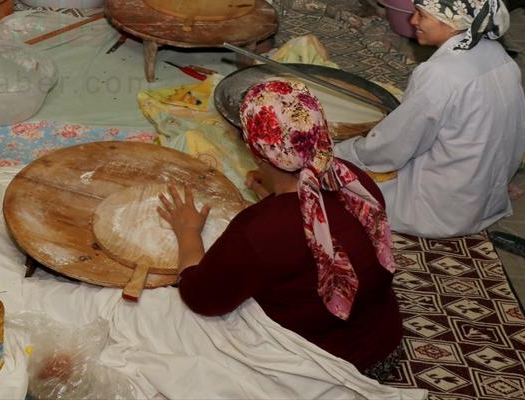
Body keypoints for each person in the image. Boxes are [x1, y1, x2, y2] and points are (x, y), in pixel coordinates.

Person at [160, 79, 402, 378]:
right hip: (385, 342)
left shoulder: (258, 230)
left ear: (255, 149)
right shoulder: (356, 183)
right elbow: (314, 228)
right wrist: (276, 194)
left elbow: (200, 298)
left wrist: (188, 233)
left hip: (334, 368)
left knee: (164, 326)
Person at [335, 0, 525, 239]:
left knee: (334, 181)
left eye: (422, 15)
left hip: (444, 210)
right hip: (487, 198)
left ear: (453, 23)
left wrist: (344, 151)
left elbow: (393, 147)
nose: (413, 21)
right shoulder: (501, 57)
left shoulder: (440, 74)